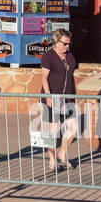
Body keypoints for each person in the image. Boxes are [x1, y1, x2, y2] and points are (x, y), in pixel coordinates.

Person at [40, 29, 79, 172]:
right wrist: (48, 95)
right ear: (56, 42)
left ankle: (62, 153)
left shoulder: (69, 56)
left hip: (68, 97)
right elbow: (44, 77)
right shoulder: (48, 56)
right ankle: (51, 159)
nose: (67, 47)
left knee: (73, 128)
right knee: (53, 131)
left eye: (69, 44)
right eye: (64, 44)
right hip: (53, 97)